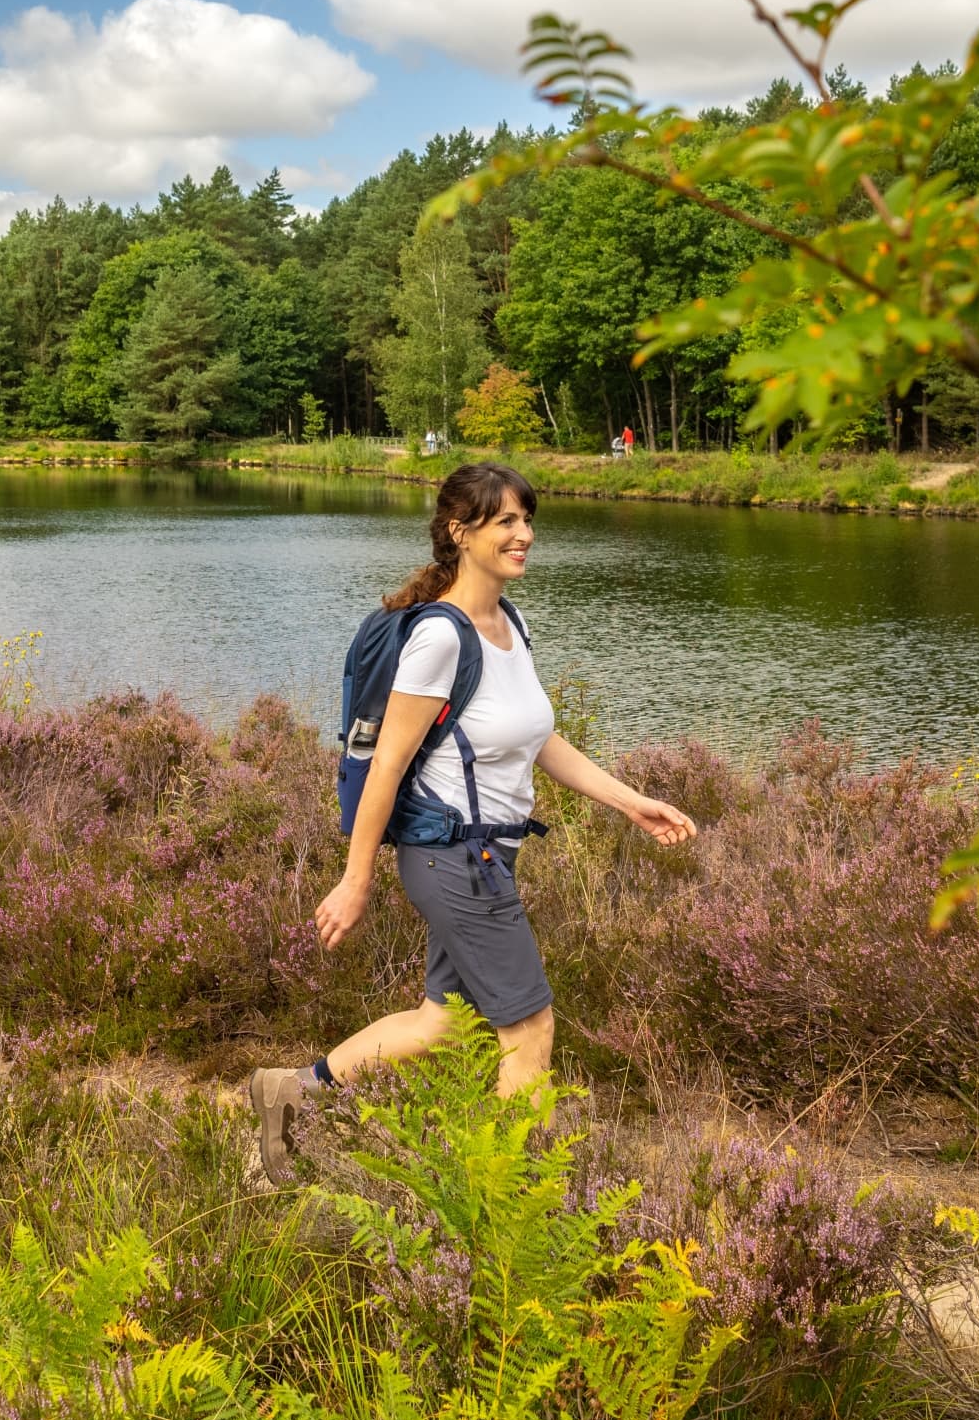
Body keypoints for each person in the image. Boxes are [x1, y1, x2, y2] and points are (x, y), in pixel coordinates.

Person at [247, 461, 697, 1180]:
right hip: (455, 860)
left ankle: (289, 1091)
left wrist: (629, 801)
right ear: (460, 532)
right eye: (506, 522)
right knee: (529, 1026)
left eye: (527, 519)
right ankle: (519, 1202)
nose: (525, 535)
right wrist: (355, 878)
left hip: (487, 857)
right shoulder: (441, 639)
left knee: (446, 1021)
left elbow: (536, 737)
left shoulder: (509, 623)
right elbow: (388, 765)